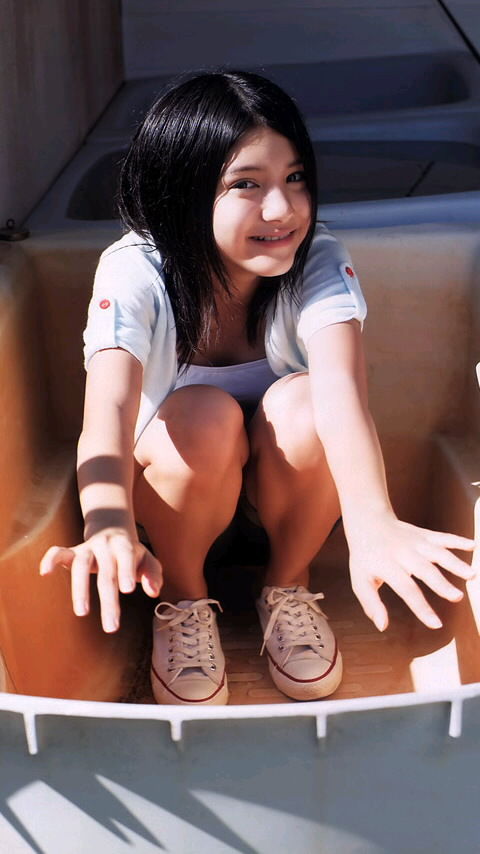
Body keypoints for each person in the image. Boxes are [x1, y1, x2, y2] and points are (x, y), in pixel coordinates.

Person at [40, 70, 475, 706]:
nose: (283, 209)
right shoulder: (134, 270)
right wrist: (106, 523)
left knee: (306, 403)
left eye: (295, 177)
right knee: (202, 416)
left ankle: (287, 587)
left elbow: (341, 398)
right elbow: (107, 413)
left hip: (288, 514)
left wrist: (372, 521)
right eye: (247, 184)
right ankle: (183, 601)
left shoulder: (318, 258)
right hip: (173, 518)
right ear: (184, 190)